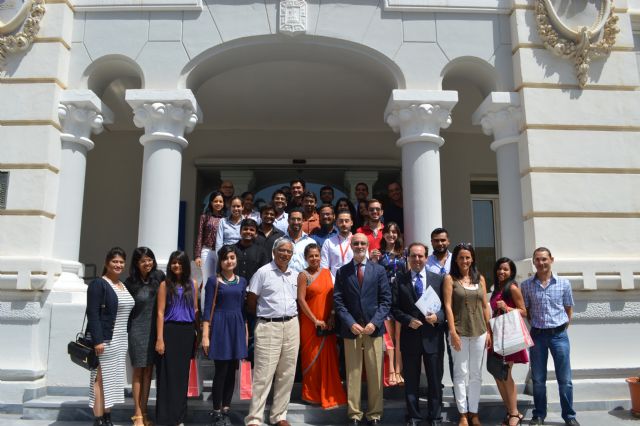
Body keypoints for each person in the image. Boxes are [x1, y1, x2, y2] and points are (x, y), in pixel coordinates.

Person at [333, 233, 391, 425]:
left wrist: (374, 322)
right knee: (353, 374)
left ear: (367, 245)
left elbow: (385, 300)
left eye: (362, 243)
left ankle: (375, 414)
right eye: (356, 243)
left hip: (373, 329)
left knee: (375, 373)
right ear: (351, 245)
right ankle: (355, 414)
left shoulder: (379, 270)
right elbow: (339, 302)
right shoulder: (342, 272)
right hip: (352, 330)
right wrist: (350, 323)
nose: (359, 246)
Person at [520, 248, 579, 426]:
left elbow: (568, 309)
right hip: (537, 335)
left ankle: (569, 416)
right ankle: (539, 415)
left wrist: (560, 327)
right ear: (534, 262)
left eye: (544, 259)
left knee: (565, 380)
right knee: (538, 379)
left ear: (551, 259)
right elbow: (527, 311)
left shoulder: (564, 283)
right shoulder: (526, 285)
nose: (541, 263)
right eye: (537, 260)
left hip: (559, 335)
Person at [245, 238, 300, 426]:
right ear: (274, 252)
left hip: (292, 325)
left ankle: (279, 416)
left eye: (289, 252)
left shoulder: (295, 275)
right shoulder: (263, 273)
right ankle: (254, 418)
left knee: (287, 373)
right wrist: (265, 317)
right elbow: (251, 301)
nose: (285, 254)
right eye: (282, 250)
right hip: (268, 326)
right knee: (263, 373)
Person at [392, 243, 445, 426]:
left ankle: (435, 416)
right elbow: (394, 308)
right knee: (411, 381)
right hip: (410, 336)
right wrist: (407, 320)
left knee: (435, 380)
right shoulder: (400, 279)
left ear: (426, 257)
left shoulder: (438, 279)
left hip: (432, 336)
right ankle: (414, 416)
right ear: (408, 257)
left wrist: (437, 317)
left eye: (420, 256)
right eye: (413, 256)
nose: (417, 259)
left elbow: (447, 308)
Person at [443, 243, 492, 426]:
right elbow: (447, 306)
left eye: (468, 257)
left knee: (476, 374)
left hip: (479, 331)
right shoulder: (450, 279)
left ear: (472, 259)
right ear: (456, 259)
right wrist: (453, 332)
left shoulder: (480, 279)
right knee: (460, 372)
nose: (465, 260)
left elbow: (485, 306)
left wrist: (489, 330)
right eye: (461, 257)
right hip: (460, 331)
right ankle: (463, 413)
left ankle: (474, 412)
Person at [87, 247, 134, 426]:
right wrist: (97, 340)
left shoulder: (122, 285)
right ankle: (98, 420)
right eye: (115, 261)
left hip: (120, 341)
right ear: (107, 263)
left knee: (111, 380)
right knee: (99, 380)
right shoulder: (99, 284)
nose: (118, 265)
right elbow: (93, 313)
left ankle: (107, 417)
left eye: (121, 262)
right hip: (104, 340)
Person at [202, 245, 249, 426]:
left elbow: (243, 310)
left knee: (232, 371)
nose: (229, 261)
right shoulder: (214, 281)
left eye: (232, 257)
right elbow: (207, 310)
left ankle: (226, 408)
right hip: (220, 326)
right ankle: (216, 410)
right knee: (221, 371)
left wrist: (245, 332)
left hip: (237, 326)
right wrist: (206, 335)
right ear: (220, 262)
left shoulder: (242, 281)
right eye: (225, 258)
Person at [297, 243, 347, 409]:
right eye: (310, 256)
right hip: (310, 324)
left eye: (316, 255)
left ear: (320, 256)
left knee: (329, 358)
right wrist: (314, 320)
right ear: (306, 258)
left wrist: (332, 315)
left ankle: (329, 393)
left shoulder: (327, 273)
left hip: (327, 323)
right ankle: (311, 395)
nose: (314, 258)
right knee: (311, 358)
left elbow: (333, 296)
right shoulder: (303, 275)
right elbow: (301, 300)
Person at [155, 251, 198, 426]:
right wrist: (159, 338)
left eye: (180, 263)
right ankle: (165, 418)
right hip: (169, 331)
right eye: (173, 263)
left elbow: (195, 310)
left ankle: (179, 418)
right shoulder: (165, 285)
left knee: (182, 378)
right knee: (167, 375)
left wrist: (200, 334)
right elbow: (160, 312)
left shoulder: (193, 284)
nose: (176, 266)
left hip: (187, 333)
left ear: (185, 265)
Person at [125, 247, 165, 426]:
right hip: (137, 330)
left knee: (149, 371)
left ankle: (145, 411)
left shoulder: (159, 277)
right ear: (136, 263)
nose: (147, 263)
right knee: (138, 371)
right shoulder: (130, 283)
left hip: (155, 331)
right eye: (143, 261)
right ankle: (138, 414)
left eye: (149, 259)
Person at [489, 258, 528, 426]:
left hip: (509, 336)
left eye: (505, 269)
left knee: (505, 373)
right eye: (499, 269)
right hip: (498, 334)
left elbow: (524, 312)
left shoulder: (512, 288)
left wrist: (507, 307)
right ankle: (511, 410)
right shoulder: (495, 289)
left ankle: (514, 414)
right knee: (497, 374)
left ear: (511, 272)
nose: (501, 272)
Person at [375, 221, 408, 387]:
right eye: (388, 232)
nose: (392, 235)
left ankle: (399, 370)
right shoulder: (379, 254)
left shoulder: (405, 254)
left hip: (401, 298)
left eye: (395, 232)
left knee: (399, 337)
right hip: (385, 298)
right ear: (384, 234)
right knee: (388, 337)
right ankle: (391, 372)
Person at [195, 191, 225, 293]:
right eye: (215, 201)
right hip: (207, 251)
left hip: (220, 252)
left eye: (220, 201)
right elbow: (199, 235)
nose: (218, 203)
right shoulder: (204, 217)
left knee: (219, 280)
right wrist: (197, 255)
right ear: (211, 203)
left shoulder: (225, 219)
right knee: (207, 281)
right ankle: (204, 308)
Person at [320, 210, 354, 278]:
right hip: (335, 283)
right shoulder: (328, 242)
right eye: (341, 221)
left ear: (351, 223)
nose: (344, 224)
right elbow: (324, 266)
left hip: (354, 283)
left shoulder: (359, 241)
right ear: (336, 223)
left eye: (346, 221)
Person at [284, 208, 316, 273]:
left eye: (299, 219)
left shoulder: (311, 242)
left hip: (306, 280)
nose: (296, 222)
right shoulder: (280, 242)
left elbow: (315, 264)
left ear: (303, 221)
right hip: (284, 280)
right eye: (293, 219)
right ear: (288, 221)